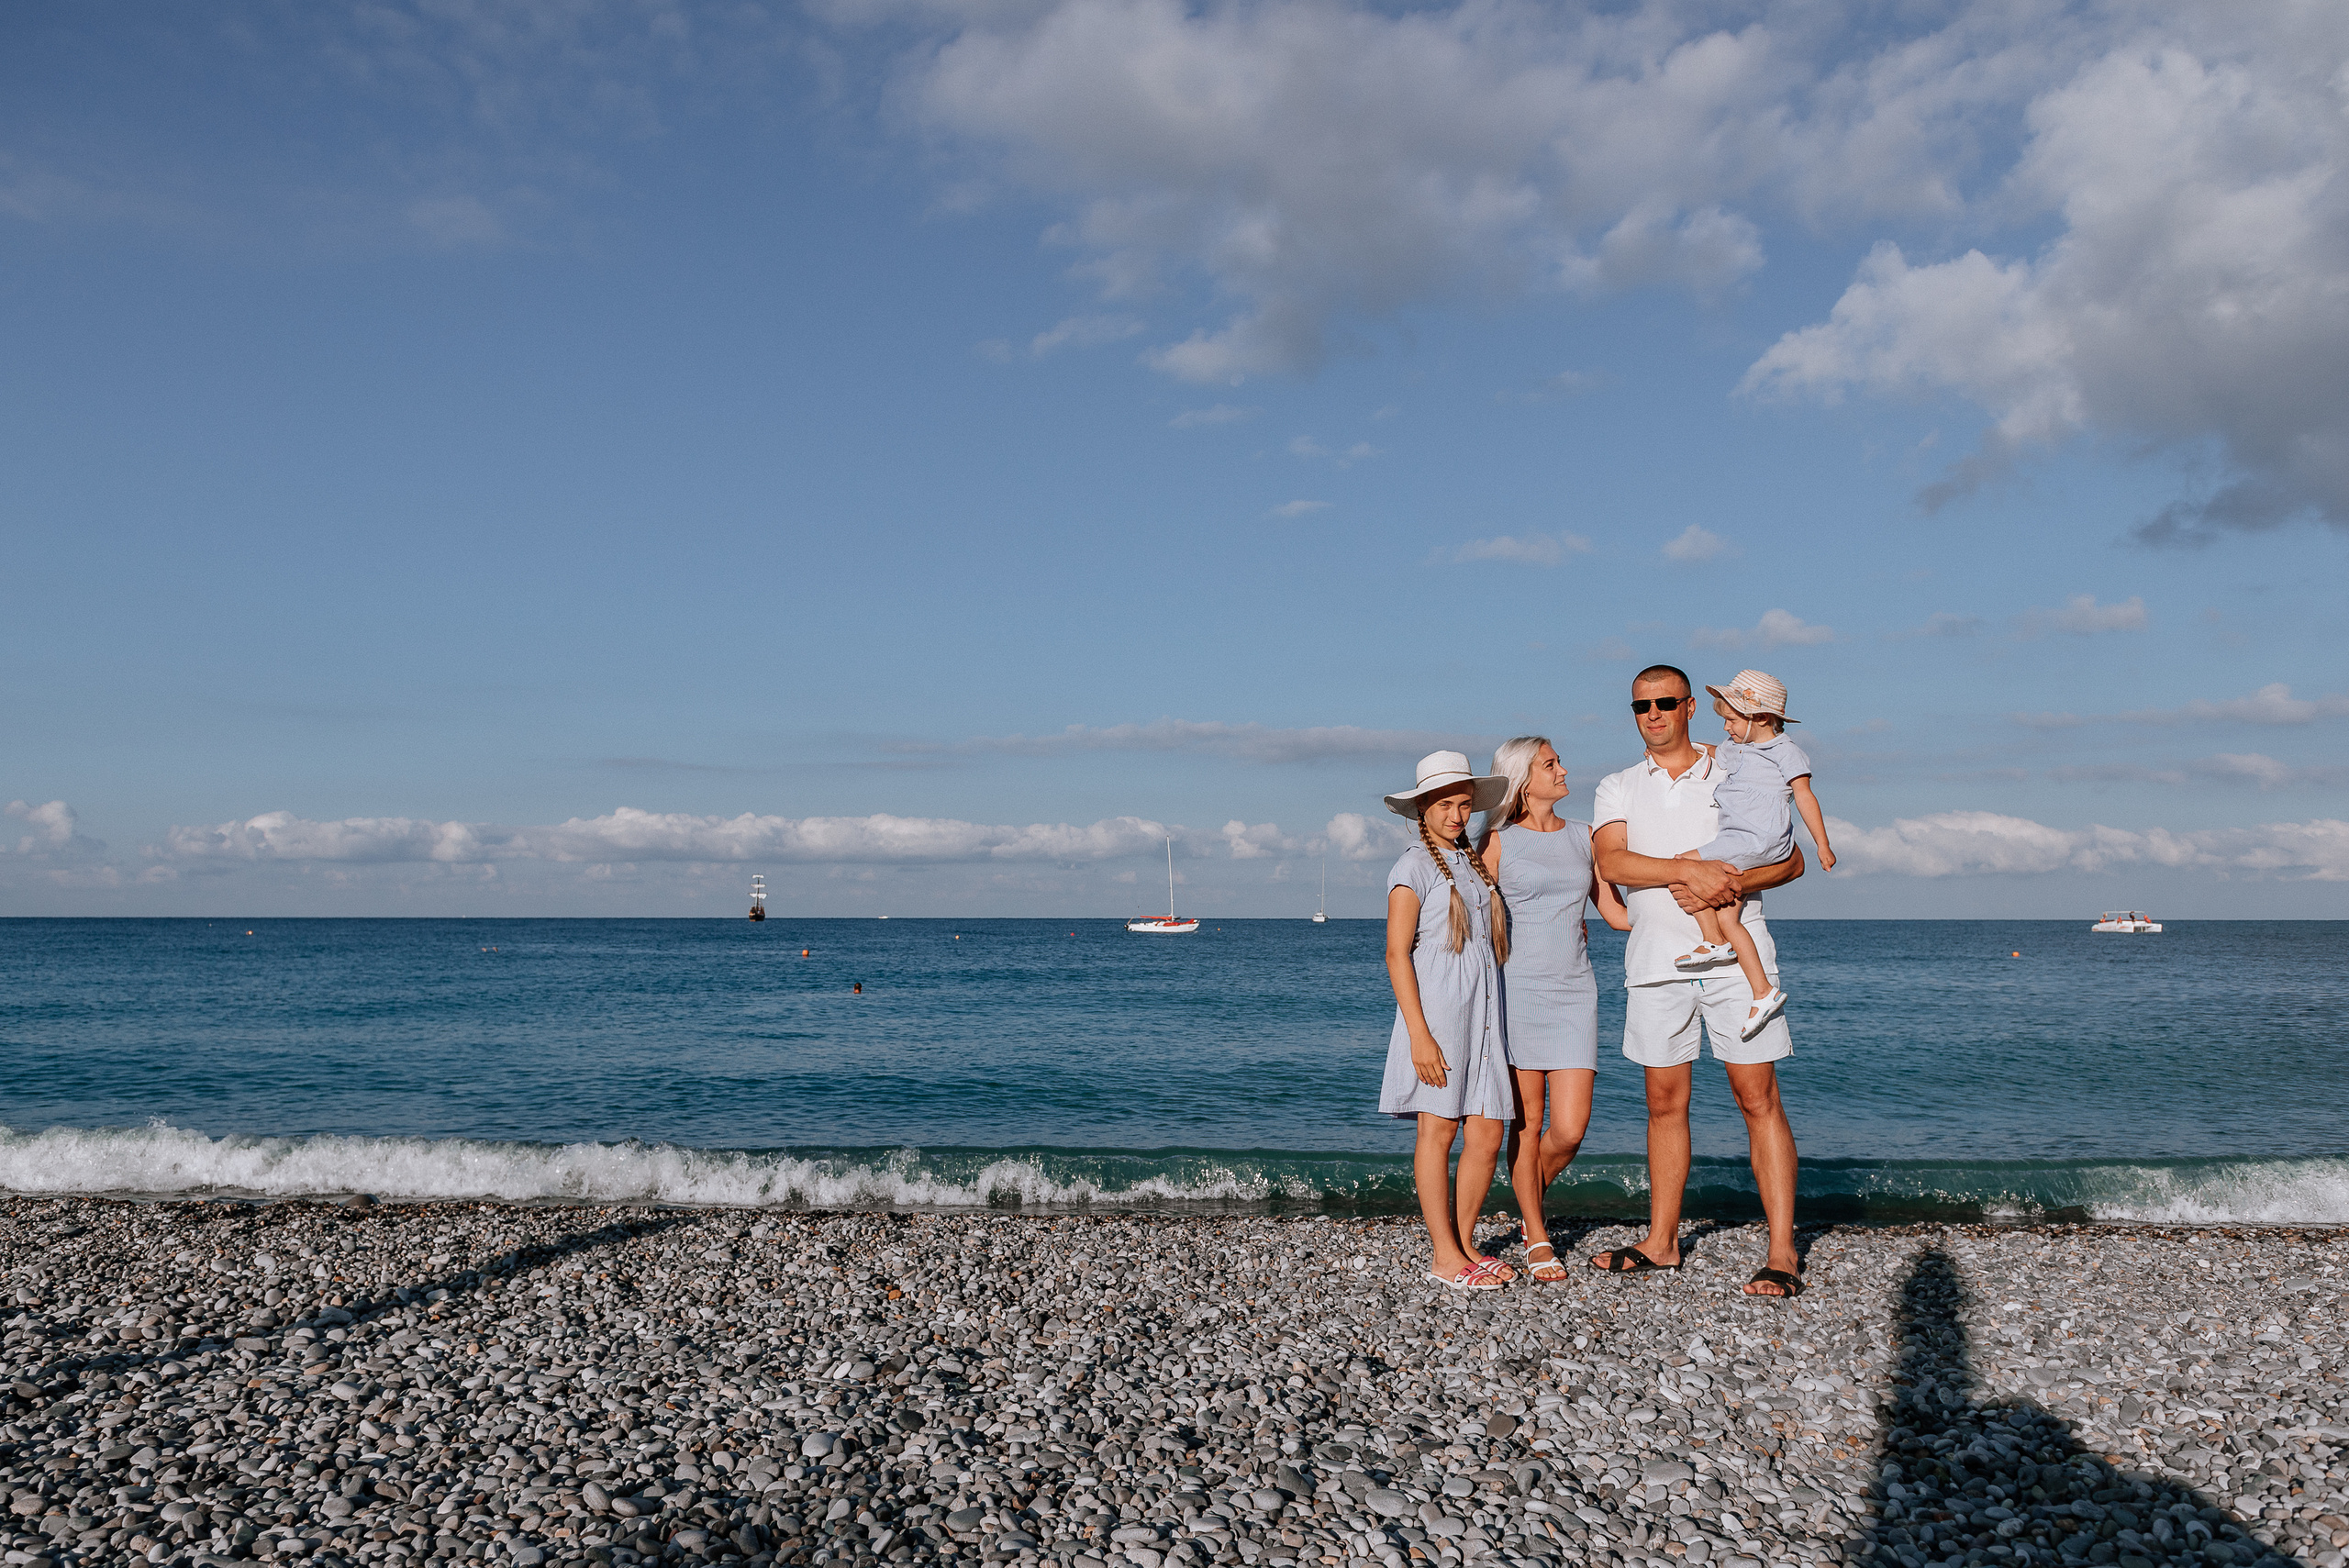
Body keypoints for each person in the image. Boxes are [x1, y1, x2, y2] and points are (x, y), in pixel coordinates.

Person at [1588, 664, 1809, 1299]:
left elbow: (1791, 860)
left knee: (1757, 1096)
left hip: (1739, 959)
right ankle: (1661, 1242)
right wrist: (1693, 871)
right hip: (1657, 961)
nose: (1653, 714)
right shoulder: (1618, 785)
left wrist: (1729, 880)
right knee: (1664, 1102)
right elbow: (1612, 861)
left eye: (1665, 702)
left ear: (1690, 706)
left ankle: (1782, 1251)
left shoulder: (1740, 764)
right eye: (1642, 706)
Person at [1475, 736, 1629, 1284]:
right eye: (1550, 764)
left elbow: (1616, 913)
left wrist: (1687, 907)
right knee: (1528, 1123)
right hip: (1516, 991)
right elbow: (1469, 915)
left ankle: (1524, 1201)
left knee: (1569, 1130)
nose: (1563, 770)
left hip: (1575, 993)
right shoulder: (1496, 841)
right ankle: (1537, 1234)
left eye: (1559, 761)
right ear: (1523, 780)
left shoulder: (1585, 837)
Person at [1378, 750, 1518, 1290]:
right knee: (1438, 1132)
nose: (1457, 815)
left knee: (1487, 1132)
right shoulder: (1412, 867)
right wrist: (1420, 1036)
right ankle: (1443, 1256)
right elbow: (1396, 954)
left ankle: (1463, 1244)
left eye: (1463, 805)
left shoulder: (1471, 861)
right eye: (1444, 805)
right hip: (1439, 1016)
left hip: (1484, 1015)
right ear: (1423, 808)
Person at [1669, 670, 1837, 1040]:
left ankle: (1714, 943)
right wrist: (1680, 745)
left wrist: (1822, 844)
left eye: (1731, 720)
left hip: (1759, 838)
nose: (1725, 727)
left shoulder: (1785, 751)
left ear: (1759, 717)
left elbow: (1804, 796)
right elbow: (1714, 751)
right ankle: (1763, 992)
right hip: (1741, 838)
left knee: (1682, 864)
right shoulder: (1738, 747)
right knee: (1730, 916)